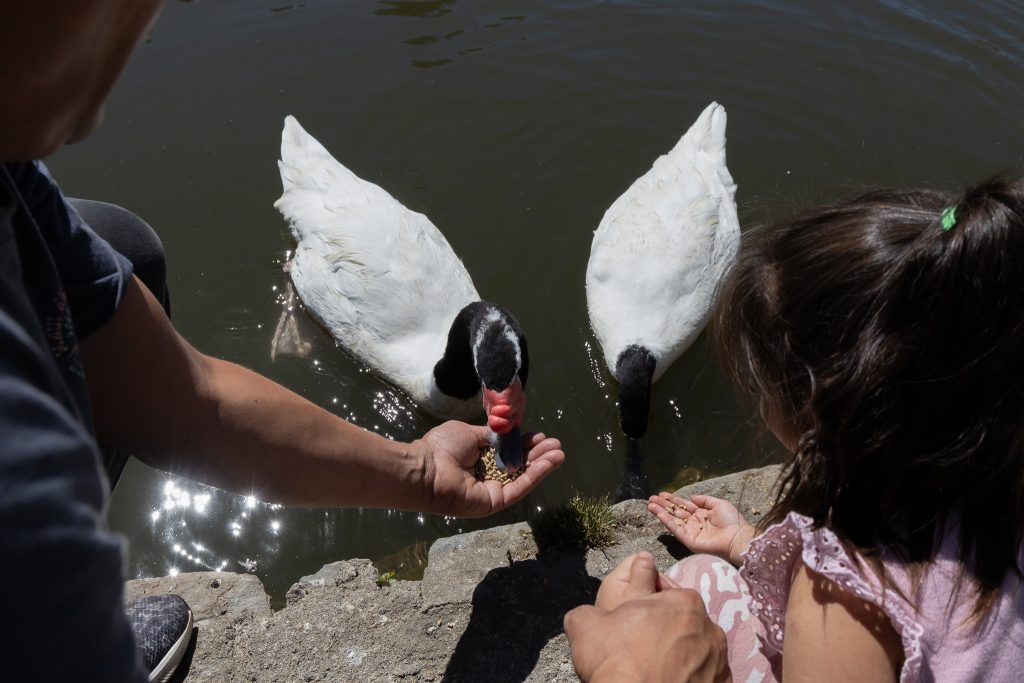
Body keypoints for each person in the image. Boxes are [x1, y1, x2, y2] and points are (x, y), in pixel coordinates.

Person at [0, 2, 564, 681]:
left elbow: (196, 399)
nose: (143, 28)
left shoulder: (18, 186)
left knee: (126, 254)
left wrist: (419, 472)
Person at [632, 180, 1024, 680]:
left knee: (690, 583)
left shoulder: (841, 602)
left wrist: (630, 669)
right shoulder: (998, 465)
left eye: (761, 383)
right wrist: (746, 543)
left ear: (821, 407)